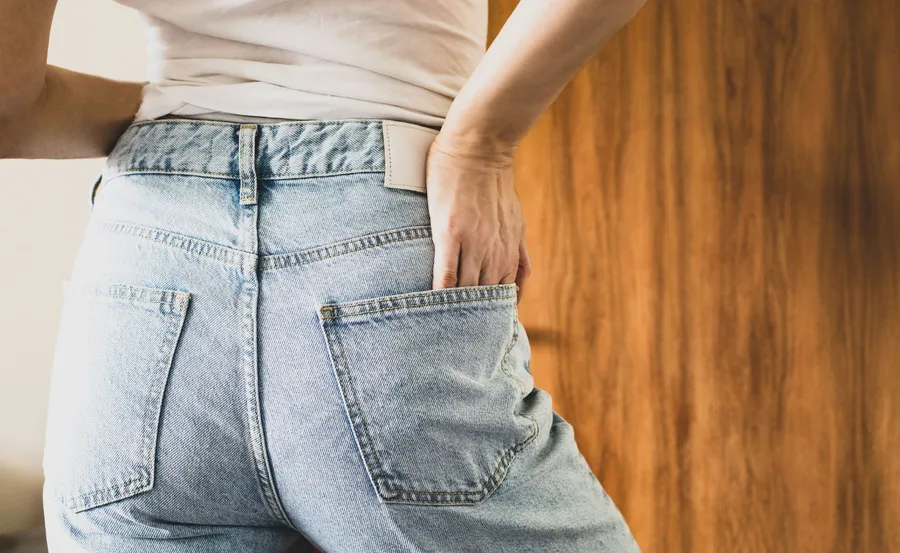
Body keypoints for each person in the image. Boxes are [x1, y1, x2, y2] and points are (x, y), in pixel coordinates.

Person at [1, 0, 648, 551]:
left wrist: (184, 127)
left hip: (145, 269)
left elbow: (8, 101)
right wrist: (482, 139)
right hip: (375, 239)